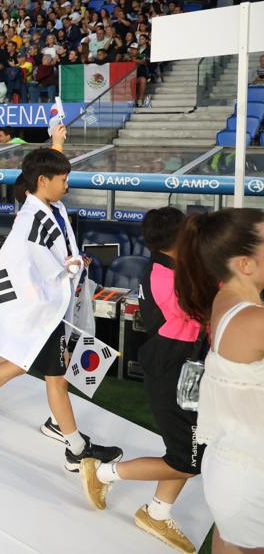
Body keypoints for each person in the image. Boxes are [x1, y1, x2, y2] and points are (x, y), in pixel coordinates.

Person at [0, 149, 122, 471]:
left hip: (44, 309)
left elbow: (55, 258)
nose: (66, 185)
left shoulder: (47, 207)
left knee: (30, 367)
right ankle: (74, 447)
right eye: (62, 180)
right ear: (43, 181)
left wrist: (58, 141)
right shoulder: (33, 218)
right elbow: (43, 267)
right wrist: (72, 265)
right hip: (40, 310)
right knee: (44, 372)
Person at [78, 207, 201, 553]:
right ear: (180, 236)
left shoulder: (175, 266)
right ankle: (104, 474)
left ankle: (157, 513)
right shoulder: (168, 276)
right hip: (173, 372)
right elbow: (202, 310)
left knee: (190, 451)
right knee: (187, 460)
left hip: (183, 369)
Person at [174, 208, 264, 553]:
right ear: (244, 264)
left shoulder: (226, 298)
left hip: (233, 468)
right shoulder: (252, 319)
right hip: (249, 478)